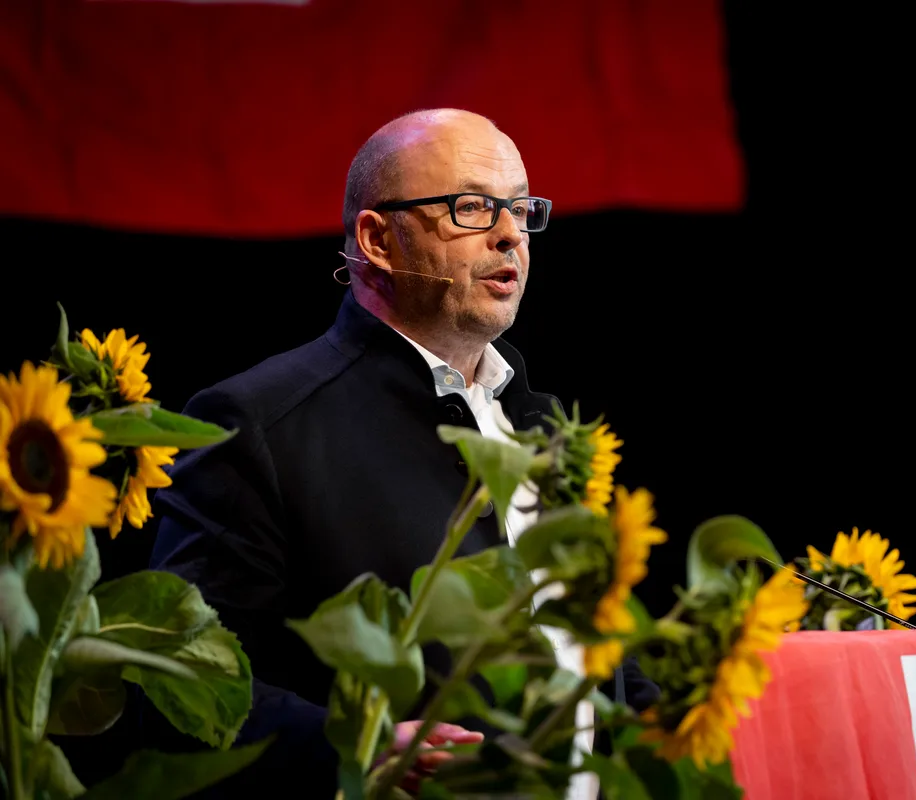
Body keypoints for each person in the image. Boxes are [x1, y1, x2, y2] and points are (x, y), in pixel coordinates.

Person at [142, 109, 658, 797]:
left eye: (519, 208)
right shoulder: (258, 425)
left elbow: (600, 657)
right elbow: (181, 678)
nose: (510, 234)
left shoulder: (546, 427)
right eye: (472, 207)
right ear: (377, 239)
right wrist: (353, 746)